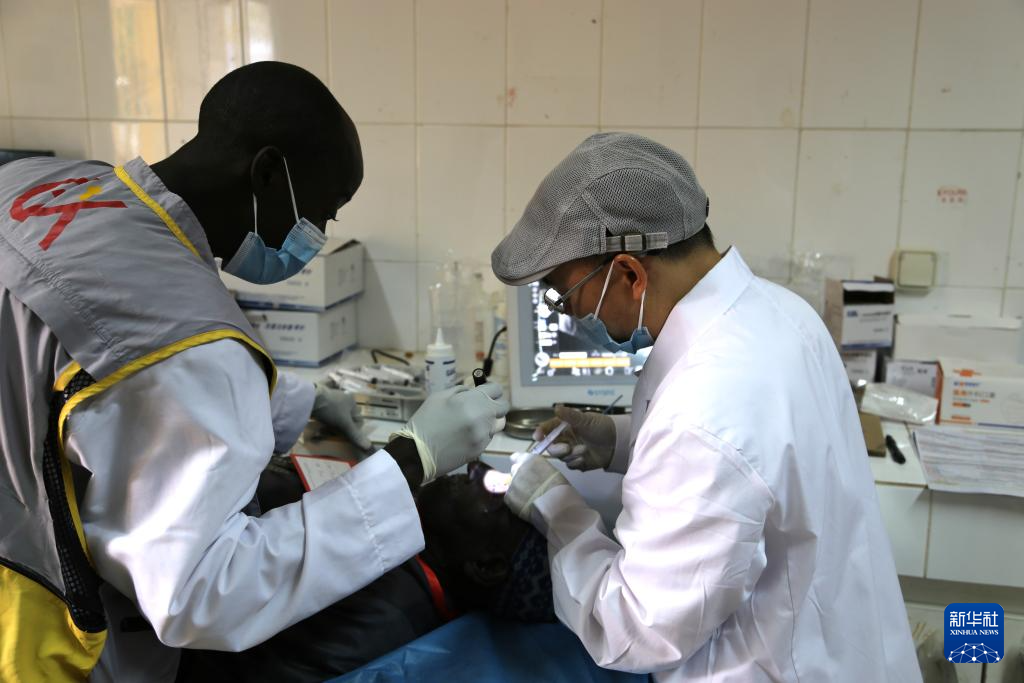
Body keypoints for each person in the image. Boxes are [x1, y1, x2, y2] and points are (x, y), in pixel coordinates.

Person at [0, 61, 507, 682]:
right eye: (324, 210)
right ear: (268, 174)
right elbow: (203, 592)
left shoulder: (40, 185)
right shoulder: (190, 340)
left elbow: (92, 366)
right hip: (28, 620)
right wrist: (412, 457)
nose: (318, 234)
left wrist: (301, 401)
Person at [490, 132, 921, 682]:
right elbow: (759, 463)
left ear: (629, 274)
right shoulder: (781, 311)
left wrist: (555, 509)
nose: (571, 315)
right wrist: (618, 439)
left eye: (566, 295)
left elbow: (635, 631)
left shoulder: (703, 406)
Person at [175, 461, 554, 682]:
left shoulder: (371, 608)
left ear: (486, 566)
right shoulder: (414, 573)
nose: (477, 467)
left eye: (497, 488)